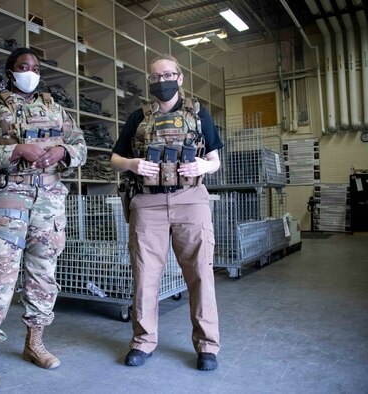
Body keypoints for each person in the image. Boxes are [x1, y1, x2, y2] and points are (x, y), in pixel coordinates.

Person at [0, 47, 87, 390]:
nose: (30, 72)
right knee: (1, 273)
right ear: (10, 71)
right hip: (9, 195)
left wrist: (63, 152)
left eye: (35, 67)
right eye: (23, 66)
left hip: (49, 199)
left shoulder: (55, 108)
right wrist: (16, 150)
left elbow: (80, 145)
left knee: (43, 272)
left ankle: (34, 343)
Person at [110, 54, 223, 371]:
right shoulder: (138, 118)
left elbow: (215, 160)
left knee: (200, 274)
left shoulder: (199, 116)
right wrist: (132, 164)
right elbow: (115, 159)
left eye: (168, 75)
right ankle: (143, 342)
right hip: (148, 202)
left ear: (180, 78)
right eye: (155, 77)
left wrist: (203, 165)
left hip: (191, 199)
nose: (162, 81)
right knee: (145, 276)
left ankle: (207, 347)